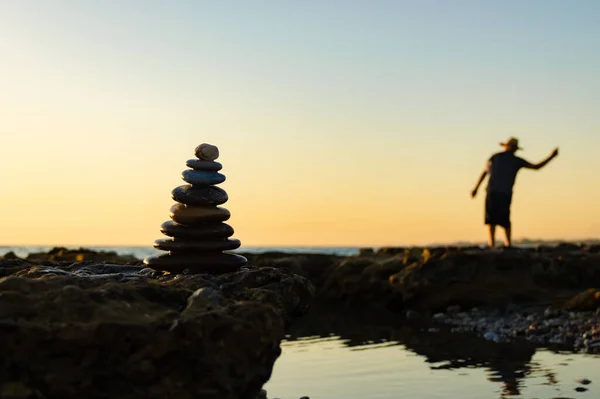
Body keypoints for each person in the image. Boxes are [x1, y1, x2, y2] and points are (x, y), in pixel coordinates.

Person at [471, 137, 559, 248]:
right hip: (494, 191)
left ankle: (506, 243)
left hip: (503, 192)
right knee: (492, 218)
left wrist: (551, 157)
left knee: (502, 219)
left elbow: (536, 167)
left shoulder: (514, 160)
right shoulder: (496, 157)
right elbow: (485, 172)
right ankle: (493, 243)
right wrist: (476, 188)